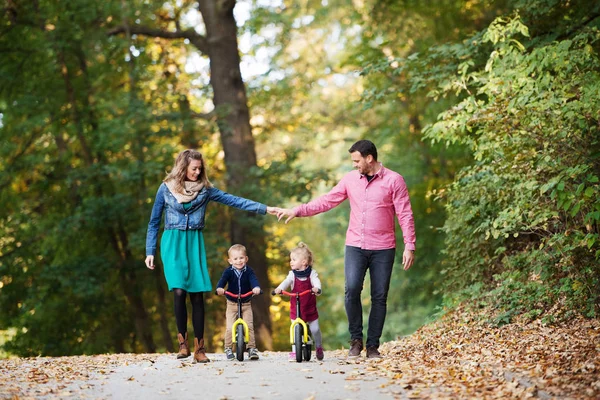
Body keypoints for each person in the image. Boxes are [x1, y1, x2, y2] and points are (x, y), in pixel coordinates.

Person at [275, 139, 416, 359]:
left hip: (383, 248)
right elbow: (327, 201)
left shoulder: (394, 181)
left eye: (356, 160)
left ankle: (372, 346)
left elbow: (405, 213)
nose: (354, 165)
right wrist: (298, 210)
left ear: (369, 158)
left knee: (379, 296)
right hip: (355, 245)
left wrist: (410, 245)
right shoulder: (351, 180)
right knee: (351, 290)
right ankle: (356, 341)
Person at [145, 149, 277, 363]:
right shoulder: (166, 188)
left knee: (197, 294)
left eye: (200, 168)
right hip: (172, 243)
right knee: (178, 291)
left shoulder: (205, 190)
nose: (197, 172)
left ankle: (199, 348)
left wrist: (265, 209)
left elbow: (234, 200)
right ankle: (182, 343)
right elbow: (153, 222)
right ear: (183, 167)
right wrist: (150, 251)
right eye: (193, 168)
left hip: (194, 243)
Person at [273, 242, 324, 361]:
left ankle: (318, 346)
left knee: (315, 329)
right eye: (291, 259)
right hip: (296, 307)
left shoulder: (312, 273)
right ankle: (294, 351)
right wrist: (280, 288)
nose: (291, 262)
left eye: (294, 259)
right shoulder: (292, 274)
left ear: (304, 262)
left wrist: (317, 288)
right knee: (294, 327)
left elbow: (316, 281)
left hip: (309, 307)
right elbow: (286, 282)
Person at [216, 244, 262, 360]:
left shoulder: (249, 271)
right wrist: (220, 288)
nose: (238, 261)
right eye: (235, 259)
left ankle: (251, 348)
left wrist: (256, 287)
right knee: (230, 327)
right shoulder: (228, 272)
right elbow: (222, 281)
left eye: (241, 258)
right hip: (232, 303)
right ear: (230, 261)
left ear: (246, 259)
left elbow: (254, 280)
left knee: (249, 326)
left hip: (246, 303)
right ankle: (228, 348)